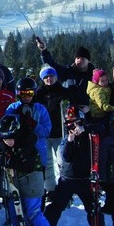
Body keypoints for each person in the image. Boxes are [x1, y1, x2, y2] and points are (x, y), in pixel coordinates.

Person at [43, 107, 111, 226]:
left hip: (85, 179)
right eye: (70, 124)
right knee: (55, 207)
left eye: (76, 123)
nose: (73, 127)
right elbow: (66, 157)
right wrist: (70, 140)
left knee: (93, 207)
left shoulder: (90, 135)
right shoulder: (66, 139)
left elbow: (101, 128)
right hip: (67, 179)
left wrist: (84, 128)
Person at [0, 114, 60, 226]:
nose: (7, 141)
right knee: (14, 210)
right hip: (15, 183)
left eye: (10, 137)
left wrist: (12, 161)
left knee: (33, 211)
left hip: (31, 181)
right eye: (4, 138)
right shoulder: (5, 146)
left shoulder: (27, 143)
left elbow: (27, 164)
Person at [35, 64, 78, 197]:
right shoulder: (38, 94)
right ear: (42, 78)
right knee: (47, 163)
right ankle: (51, 190)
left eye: (51, 76)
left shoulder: (63, 92)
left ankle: (66, 189)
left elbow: (72, 107)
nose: (49, 79)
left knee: (63, 162)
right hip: (44, 134)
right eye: (46, 77)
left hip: (60, 133)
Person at [36, 39, 94, 107]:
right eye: (77, 58)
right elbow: (52, 65)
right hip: (68, 112)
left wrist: (89, 108)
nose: (79, 60)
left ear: (88, 61)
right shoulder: (67, 72)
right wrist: (44, 50)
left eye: (83, 58)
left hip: (88, 111)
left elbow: (101, 93)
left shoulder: (94, 76)